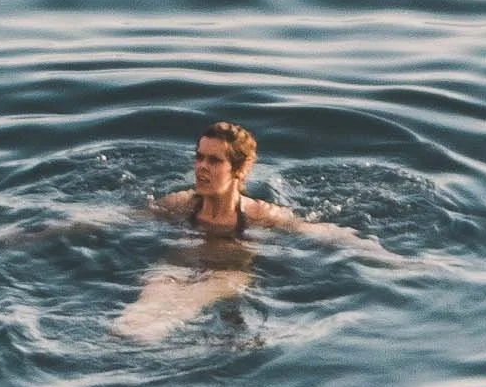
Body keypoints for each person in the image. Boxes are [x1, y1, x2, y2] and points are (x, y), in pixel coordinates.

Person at [114, 121, 388, 343]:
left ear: (239, 169)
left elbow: (326, 233)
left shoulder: (260, 215)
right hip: (177, 267)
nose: (202, 167)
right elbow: (117, 220)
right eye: (199, 157)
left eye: (214, 160)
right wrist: (73, 226)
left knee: (165, 321)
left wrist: (394, 260)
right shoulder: (180, 204)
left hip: (226, 273)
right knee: (132, 320)